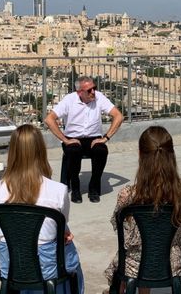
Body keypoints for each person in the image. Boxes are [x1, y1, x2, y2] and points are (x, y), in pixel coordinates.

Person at [0, 124, 85, 294]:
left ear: (12, 152)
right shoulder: (59, 190)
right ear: (41, 151)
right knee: (67, 251)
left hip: (12, 264)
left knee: (21, 248)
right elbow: (62, 226)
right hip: (48, 266)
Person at [102, 126, 181, 294]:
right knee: (153, 243)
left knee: (135, 248)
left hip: (136, 263)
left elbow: (119, 227)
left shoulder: (128, 194)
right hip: (173, 261)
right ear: (172, 154)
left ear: (140, 154)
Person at [44, 75, 124, 203]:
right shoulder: (69, 100)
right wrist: (65, 140)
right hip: (72, 138)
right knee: (73, 151)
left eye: (94, 88)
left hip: (94, 138)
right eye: (89, 90)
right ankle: (75, 187)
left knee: (101, 151)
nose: (93, 92)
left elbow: (118, 116)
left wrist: (106, 137)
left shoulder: (99, 97)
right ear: (79, 92)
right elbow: (49, 119)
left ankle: (94, 185)